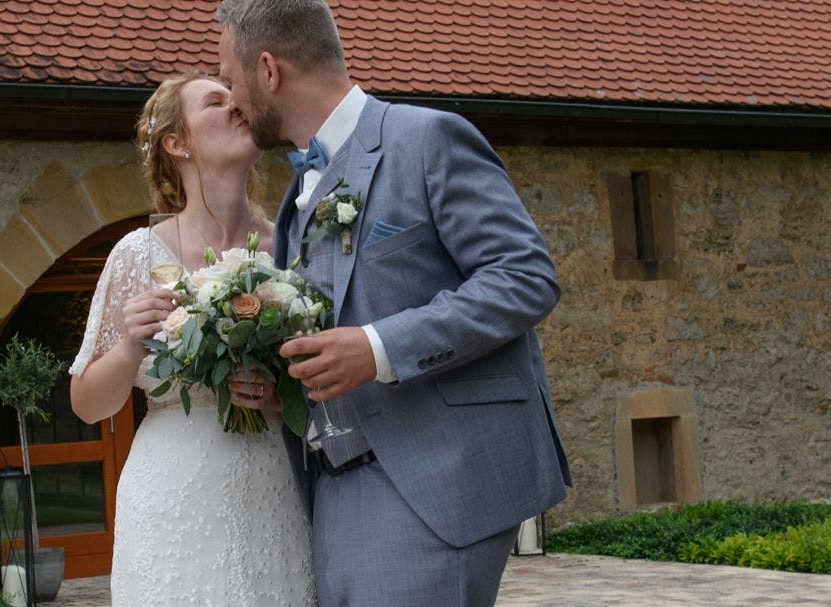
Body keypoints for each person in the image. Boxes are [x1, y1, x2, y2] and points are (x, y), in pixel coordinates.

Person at [217, 1, 572, 605]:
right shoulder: (295, 196)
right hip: (332, 490)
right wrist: (290, 387)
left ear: (269, 70)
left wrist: (379, 348)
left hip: (433, 481)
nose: (230, 98)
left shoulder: (426, 138)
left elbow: (525, 275)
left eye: (230, 77)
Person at [68, 73, 316, 605]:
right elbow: (88, 404)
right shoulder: (138, 254)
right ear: (176, 144)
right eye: (214, 102)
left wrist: (281, 397)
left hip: (276, 485)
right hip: (173, 494)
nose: (237, 106)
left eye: (237, 98)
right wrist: (133, 343)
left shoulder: (291, 248)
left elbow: (325, 371)